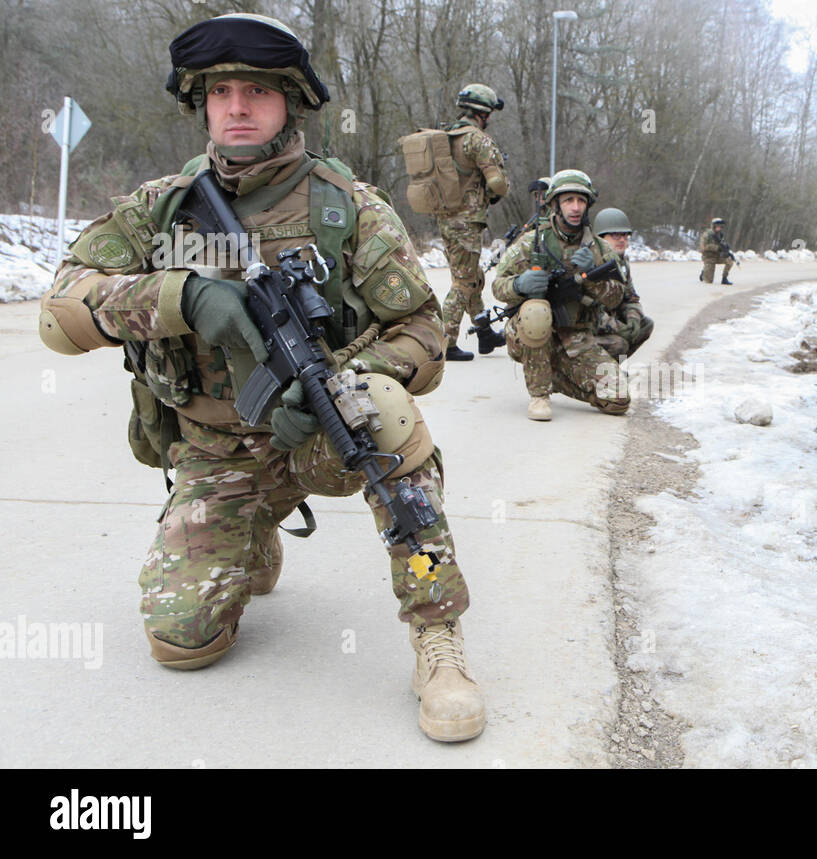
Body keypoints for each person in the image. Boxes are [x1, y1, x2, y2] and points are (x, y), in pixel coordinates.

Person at [37, 13, 484, 743]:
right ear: (201, 104)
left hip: (321, 436)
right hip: (214, 453)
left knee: (386, 411)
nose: (236, 107)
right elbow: (58, 315)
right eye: (220, 93)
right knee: (182, 643)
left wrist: (341, 382)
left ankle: (439, 635)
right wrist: (178, 298)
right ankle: (253, 534)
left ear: (288, 103)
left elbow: (426, 335)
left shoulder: (346, 208)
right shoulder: (163, 208)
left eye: (255, 91)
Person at [491, 169, 630, 421]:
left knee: (618, 399)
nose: (575, 207)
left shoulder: (599, 249)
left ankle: (553, 375)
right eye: (568, 200)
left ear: (588, 205)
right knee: (536, 312)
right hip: (531, 331)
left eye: (581, 200)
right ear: (555, 203)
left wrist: (592, 277)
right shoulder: (532, 242)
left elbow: (616, 297)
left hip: (576, 336)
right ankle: (539, 394)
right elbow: (498, 286)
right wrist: (520, 284)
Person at [435, 83, 510, 362]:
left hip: (446, 218)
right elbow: (498, 185)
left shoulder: (445, 135)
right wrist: (496, 183)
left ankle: (484, 333)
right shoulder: (477, 139)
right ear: (484, 113)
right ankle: (445, 343)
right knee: (463, 283)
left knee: (471, 276)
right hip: (467, 222)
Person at [590, 207, 653, 358]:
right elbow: (588, 310)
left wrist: (633, 318)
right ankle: (599, 374)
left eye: (625, 235)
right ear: (601, 237)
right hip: (589, 326)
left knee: (645, 325)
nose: (622, 240)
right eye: (615, 235)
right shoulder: (591, 263)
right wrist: (616, 327)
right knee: (619, 343)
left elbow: (631, 297)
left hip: (610, 320)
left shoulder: (622, 262)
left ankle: (612, 368)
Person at [699, 217, 736, 284]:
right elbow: (703, 247)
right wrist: (716, 248)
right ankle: (704, 272)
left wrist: (725, 251)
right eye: (718, 226)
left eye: (721, 227)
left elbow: (722, 245)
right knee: (708, 281)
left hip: (717, 256)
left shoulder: (720, 235)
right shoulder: (707, 234)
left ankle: (724, 278)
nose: (720, 228)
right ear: (714, 226)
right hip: (708, 257)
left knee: (729, 261)